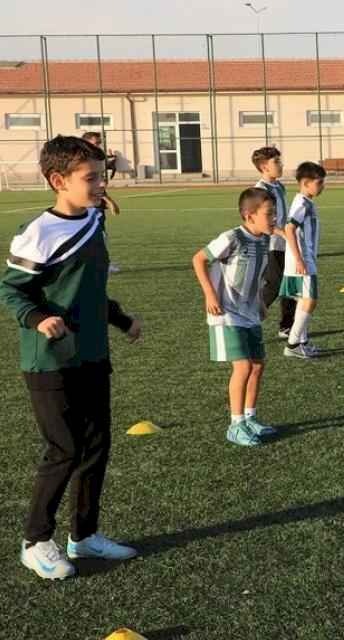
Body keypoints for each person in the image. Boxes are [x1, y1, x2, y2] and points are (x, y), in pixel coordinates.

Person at [0, 135, 143, 580]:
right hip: (50, 361)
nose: (101, 185)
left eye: (102, 175)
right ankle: (35, 541)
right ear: (58, 180)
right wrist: (38, 317)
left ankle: (84, 536)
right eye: (91, 178)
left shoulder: (95, 222)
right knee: (63, 449)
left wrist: (120, 319)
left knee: (96, 447)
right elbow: (11, 289)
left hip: (92, 355)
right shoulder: (38, 233)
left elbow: (90, 290)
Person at [192, 187, 278, 447]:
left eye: (274, 213)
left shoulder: (264, 240)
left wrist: (261, 302)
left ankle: (250, 418)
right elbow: (198, 259)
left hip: (249, 313)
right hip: (227, 314)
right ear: (249, 215)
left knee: (258, 365)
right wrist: (210, 295)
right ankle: (235, 424)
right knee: (242, 367)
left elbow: (259, 276)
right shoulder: (232, 237)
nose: (274, 218)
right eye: (269, 214)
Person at [280, 162, 326, 359]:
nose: (323, 186)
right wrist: (299, 259)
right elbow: (289, 229)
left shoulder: (307, 201)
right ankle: (292, 345)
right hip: (302, 260)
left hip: (304, 258)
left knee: (303, 301)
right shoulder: (301, 203)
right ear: (306, 183)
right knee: (309, 300)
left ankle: (302, 342)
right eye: (320, 182)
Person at [251, 146, 296, 340]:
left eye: (280, 160)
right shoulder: (261, 190)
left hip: (284, 243)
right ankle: (248, 321)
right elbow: (262, 221)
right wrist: (282, 233)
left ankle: (287, 326)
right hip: (270, 245)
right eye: (276, 162)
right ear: (264, 167)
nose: (281, 164)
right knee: (274, 285)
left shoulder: (279, 186)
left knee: (290, 283)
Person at [80, 132, 122, 275]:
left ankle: (102, 263)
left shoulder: (96, 160)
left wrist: (104, 194)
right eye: (96, 143)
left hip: (95, 202)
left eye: (99, 142)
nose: (99, 145)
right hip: (83, 203)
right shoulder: (80, 161)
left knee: (99, 235)